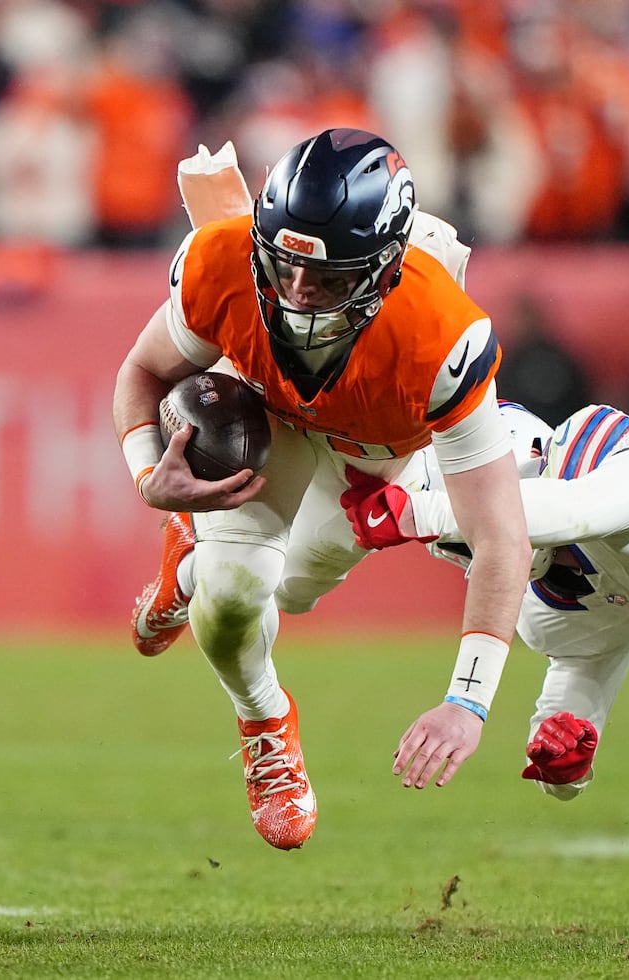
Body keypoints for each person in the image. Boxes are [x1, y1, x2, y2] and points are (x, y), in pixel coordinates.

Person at [113, 128, 532, 850]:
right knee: (235, 596)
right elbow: (142, 371)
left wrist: (468, 701)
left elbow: (502, 538)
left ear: (386, 268)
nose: (300, 294)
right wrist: (150, 475)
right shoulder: (224, 261)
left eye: (330, 279)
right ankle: (264, 719)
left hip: (371, 453)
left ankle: (185, 566)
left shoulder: (439, 335)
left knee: (290, 591)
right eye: (286, 266)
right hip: (267, 413)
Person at [341, 402, 629, 801]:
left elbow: (577, 510)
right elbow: (569, 712)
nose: (478, 550)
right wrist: (564, 768)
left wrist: (423, 512)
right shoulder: (550, 606)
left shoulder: (623, 453)